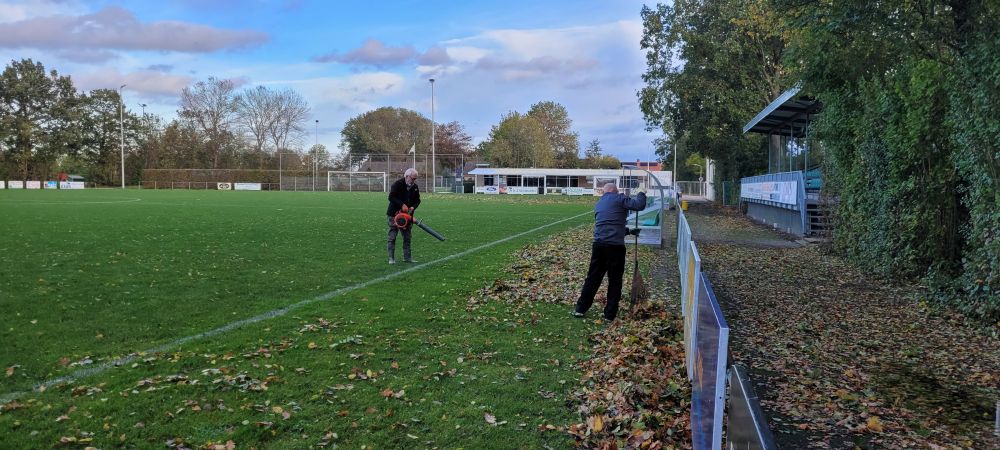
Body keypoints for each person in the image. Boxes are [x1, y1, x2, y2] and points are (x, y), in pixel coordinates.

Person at [572, 183, 646, 321]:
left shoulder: (599, 203)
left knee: (593, 278)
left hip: (599, 246)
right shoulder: (619, 198)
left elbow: (609, 225)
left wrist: (628, 231)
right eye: (617, 190)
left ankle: (580, 309)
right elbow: (639, 205)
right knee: (615, 280)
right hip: (615, 248)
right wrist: (641, 192)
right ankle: (609, 314)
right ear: (614, 191)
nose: (619, 192)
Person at [386, 168, 421, 264]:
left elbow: (418, 200)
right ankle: (391, 258)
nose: (414, 181)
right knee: (392, 237)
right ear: (406, 176)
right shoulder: (397, 184)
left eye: (415, 179)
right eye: (412, 178)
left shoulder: (415, 187)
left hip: (407, 216)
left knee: (407, 237)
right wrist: (402, 205)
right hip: (394, 215)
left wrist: (413, 207)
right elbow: (391, 197)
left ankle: (407, 258)